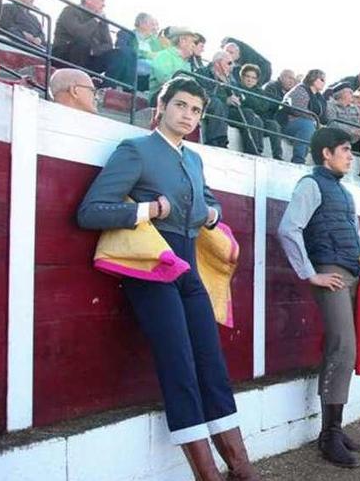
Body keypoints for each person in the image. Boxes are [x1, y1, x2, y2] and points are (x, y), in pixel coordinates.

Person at [76, 77, 258, 480]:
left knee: (210, 360)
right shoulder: (135, 150)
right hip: (151, 266)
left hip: (188, 264)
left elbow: (206, 200)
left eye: (195, 110)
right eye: (181, 105)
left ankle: (240, 465)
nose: (188, 115)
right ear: (162, 106)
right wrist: (147, 211)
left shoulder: (192, 159)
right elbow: (90, 211)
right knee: (178, 363)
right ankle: (206, 473)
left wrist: (214, 213)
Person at [277, 127, 360, 468]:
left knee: (345, 348)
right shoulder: (310, 184)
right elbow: (288, 228)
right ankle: (329, 434)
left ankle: (333, 428)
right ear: (326, 153)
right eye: (346, 150)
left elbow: (354, 233)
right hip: (331, 274)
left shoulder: (343, 191)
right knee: (343, 347)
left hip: (351, 272)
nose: (351, 156)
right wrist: (309, 273)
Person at [51, 0, 134, 88]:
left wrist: (93, 51)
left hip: (89, 57)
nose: (104, 5)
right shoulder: (70, 11)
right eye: (101, 0)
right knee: (82, 43)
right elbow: (79, 34)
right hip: (65, 55)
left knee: (119, 54)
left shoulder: (102, 19)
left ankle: (106, 89)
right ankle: (78, 84)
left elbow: (108, 44)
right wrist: (96, 19)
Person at [195, 51, 263, 155]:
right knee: (218, 103)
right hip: (211, 106)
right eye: (229, 63)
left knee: (249, 113)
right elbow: (203, 92)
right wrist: (225, 98)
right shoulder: (202, 72)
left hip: (229, 110)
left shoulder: (230, 78)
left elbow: (238, 93)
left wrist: (236, 96)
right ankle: (217, 141)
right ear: (217, 63)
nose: (232, 66)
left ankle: (254, 150)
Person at [237, 64, 283, 160]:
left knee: (273, 124)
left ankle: (278, 155)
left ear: (257, 80)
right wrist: (254, 103)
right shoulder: (236, 86)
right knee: (252, 115)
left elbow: (264, 107)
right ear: (242, 77)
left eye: (253, 78)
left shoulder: (260, 92)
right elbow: (241, 104)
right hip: (242, 116)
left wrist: (246, 99)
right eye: (247, 76)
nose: (250, 80)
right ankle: (255, 150)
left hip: (258, 119)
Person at [282, 69, 326, 164]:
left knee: (325, 132)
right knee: (307, 126)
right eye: (322, 79)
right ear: (313, 79)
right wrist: (315, 122)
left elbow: (323, 116)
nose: (324, 82)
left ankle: (322, 165)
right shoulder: (301, 89)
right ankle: (298, 160)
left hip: (310, 124)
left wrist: (320, 124)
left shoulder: (319, 97)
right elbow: (298, 110)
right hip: (289, 122)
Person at [149, 26, 195, 94]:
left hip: (181, 97)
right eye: (192, 42)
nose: (194, 45)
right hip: (161, 96)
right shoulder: (163, 55)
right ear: (182, 41)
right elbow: (165, 80)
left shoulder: (186, 63)